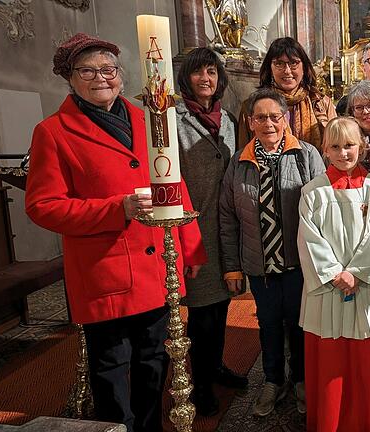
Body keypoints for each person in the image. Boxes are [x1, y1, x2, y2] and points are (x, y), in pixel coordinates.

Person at [25, 33, 207, 432]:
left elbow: (174, 183)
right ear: (69, 78)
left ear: (121, 75)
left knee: (155, 362)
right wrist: (116, 209)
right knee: (112, 370)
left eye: (108, 69)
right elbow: (42, 206)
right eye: (87, 71)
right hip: (103, 272)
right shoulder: (53, 132)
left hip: (157, 265)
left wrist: (189, 248)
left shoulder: (150, 120)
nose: (100, 78)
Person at [219, 88, 325, 416]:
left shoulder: (306, 155)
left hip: (299, 264)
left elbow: (324, 210)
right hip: (259, 264)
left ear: (286, 119)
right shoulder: (238, 162)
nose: (268, 123)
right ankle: (272, 381)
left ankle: (301, 381)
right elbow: (227, 217)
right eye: (261, 117)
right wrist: (232, 267)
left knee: (299, 325)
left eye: (275, 117)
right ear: (250, 122)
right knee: (268, 325)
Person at [298, 117, 370, 432]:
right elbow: (308, 238)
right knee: (332, 365)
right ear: (326, 149)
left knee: (365, 364)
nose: (344, 153)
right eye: (337, 146)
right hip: (329, 290)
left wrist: (355, 273)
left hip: (367, 290)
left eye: (350, 145)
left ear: (363, 146)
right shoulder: (312, 192)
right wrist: (334, 274)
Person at [175, 46, 248, 417]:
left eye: (213, 73)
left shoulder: (230, 120)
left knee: (221, 306)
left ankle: (216, 366)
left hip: (226, 228)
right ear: (186, 77)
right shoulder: (172, 121)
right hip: (194, 227)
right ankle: (199, 382)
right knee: (201, 312)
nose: (207, 79)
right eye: (199, 72)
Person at [239, 37, 336, 149]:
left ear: (303, 66)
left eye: (293, 63)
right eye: (279, 64)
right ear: (270, 68)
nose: (287, 71)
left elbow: (336, 145)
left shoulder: (321, 103)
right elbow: (244, 153)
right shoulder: (252, 107)